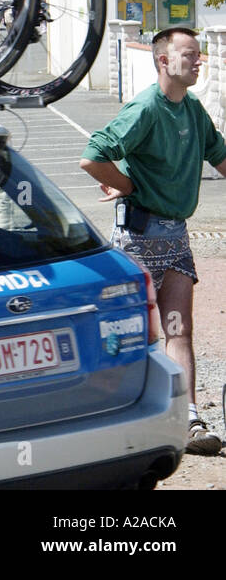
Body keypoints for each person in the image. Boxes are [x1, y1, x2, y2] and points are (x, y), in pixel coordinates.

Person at [80, 26, 226, 456]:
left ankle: (190, 420)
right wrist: (124, 184)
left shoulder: (193, 109)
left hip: (175, 237)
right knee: (127, 333)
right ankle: (110, 418)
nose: (199, 61)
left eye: (200, 54)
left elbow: (220, 156)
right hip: (137, 239)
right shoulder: (145, 107)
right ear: (164, 60)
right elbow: (94, 154)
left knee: (179, 331)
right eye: (190, 54)